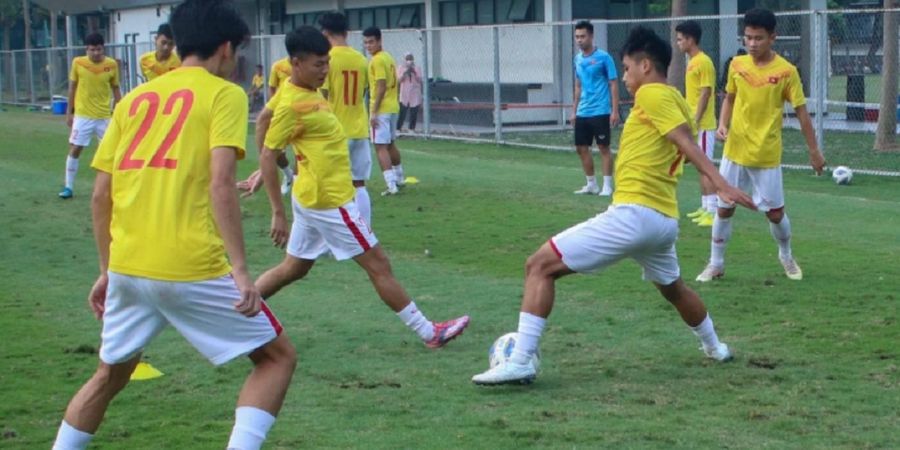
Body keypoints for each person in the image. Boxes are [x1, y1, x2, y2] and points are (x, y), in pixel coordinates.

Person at [51, 1, 296, 449]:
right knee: (276, 359)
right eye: (237, 50)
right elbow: (223, 183)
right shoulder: (225, 94)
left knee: (110, 374)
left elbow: (101, 194)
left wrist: (107, 270)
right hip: (189, 266)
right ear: (225, 48)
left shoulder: (135, 99)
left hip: (128, 266)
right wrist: (241, 270)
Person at [471, 26, 756, 386]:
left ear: (646, 65)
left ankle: (521, 360)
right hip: (662, 221)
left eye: (626, 68)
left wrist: (720, 183)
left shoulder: (654, 94)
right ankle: (715, 347)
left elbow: (685, 142)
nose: (624, 77)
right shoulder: (674, 102)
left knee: (539, 265)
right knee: (675, 289)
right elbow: (678, 145)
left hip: (634, 216)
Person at [255, 26, 469, 351]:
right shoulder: (293, 105)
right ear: (296, 63)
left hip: (312, 197)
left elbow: (262, 124)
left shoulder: (293, 88)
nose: (325, 70)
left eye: (326, 62)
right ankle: (430, 332)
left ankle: (239, 308)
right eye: (318, 64)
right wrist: (276, 211)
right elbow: (270, 150)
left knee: (293, 268)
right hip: (330, 203)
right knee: (378, 264)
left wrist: (262, 170)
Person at [696, 8, 826, 283]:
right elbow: (729, 97)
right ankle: (716, 263)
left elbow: (802, 113)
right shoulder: (737, 65)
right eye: (748, 38)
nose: (752, 44)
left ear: (773, 38)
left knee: (775, 214)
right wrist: (722, 123)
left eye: (758, 38)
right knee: (724, 207)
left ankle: (786, 255)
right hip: (735, 150)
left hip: (766, 154)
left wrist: (814, 151)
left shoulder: (787, 72)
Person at [318, 12, 373, 226]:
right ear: (347, 33)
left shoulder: (327, 60)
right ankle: (366, 232)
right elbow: (362, 94)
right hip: (359, 129)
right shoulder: (361, 59)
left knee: (330, 185)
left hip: (336, 131)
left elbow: (322, 96)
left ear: (326, 33)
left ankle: (332, 236)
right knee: (359, 184)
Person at [58, 33, 121, 199]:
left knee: (111, 152)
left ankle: (114, 188)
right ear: (86, 49)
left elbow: (115, 89)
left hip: (104, 117)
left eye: (99, 49)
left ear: (103, 48)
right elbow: (72, 87)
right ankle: (68, 187)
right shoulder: (78, 63)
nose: (95, 53)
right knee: (76, 148)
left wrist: (119, 111)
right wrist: (69, 112)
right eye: (92, 50)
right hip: (83, 116)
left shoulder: (111, 65)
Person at [675, 20, 717, 228]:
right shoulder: (692, 61)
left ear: (691, 40)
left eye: (681, 39)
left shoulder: (703, 62)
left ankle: (713, 210)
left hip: (704, 125)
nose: (678, 43)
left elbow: (706, 92)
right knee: (700, 167)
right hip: (694, 123)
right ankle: (705, 206)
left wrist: (696, 120)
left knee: (706, 167)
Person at [571, 20, 619, 197]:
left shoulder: (604, 58)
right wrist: (574, 110)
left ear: (591, 36)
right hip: (583, 111)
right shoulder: (577, 59)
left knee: (603, 147)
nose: (579, 40)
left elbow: (613, 84)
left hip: (600, 110)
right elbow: (577, 85)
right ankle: (591, 184)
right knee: (581, 147)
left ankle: (607, 184)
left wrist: (614, 111)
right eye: (577, 37)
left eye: (582, 36)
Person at [363, 26, 405, 196]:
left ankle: (391, 184)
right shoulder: (388, 57)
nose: (368, 45)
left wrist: (373, 112)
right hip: (393, 107)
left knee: (380, 146)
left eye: (371, 41)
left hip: (382, 109)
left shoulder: (377, 60)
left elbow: (380, 86)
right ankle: (400, 177)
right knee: (390, 144)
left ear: (379, 41)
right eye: (365, 42)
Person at [396, 52, 423, 132]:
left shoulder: (417, 68)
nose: (409, 60)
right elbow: (399, 80)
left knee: (414, 111)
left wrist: (414, 72)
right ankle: (398, 128)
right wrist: (405, 72)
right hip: (404, 92)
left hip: (415, 92)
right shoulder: (401, 68)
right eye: (407, 59)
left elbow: (419, 80)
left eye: (411, 58)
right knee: (402, 111)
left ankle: (411, 128)